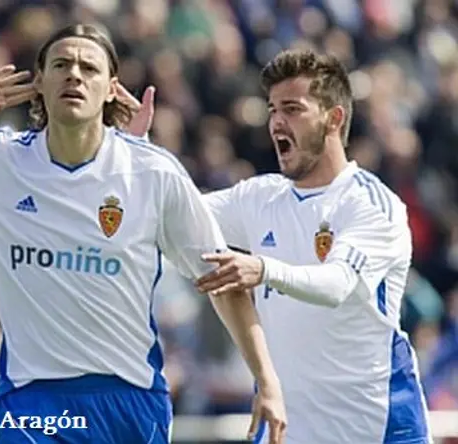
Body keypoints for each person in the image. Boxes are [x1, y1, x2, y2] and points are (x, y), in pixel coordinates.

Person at [0, 24, 286, 443]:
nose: (74, 74)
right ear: (39, 82)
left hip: (129, 398)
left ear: (112, 87)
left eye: (89, 67)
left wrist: (267, 381)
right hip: (35, 398)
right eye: (60, 65)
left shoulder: (151, 171)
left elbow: (222, 281)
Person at [137, 49, 432, 443]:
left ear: (334, 118)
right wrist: (137, 153)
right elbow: (172, 210)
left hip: (374, 426)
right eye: (273, 109)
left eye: (292, 108)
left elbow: (336, 284)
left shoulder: (370, 204)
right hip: (286, 426)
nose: (276, 121)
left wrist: (263, 269)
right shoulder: (260, 198)